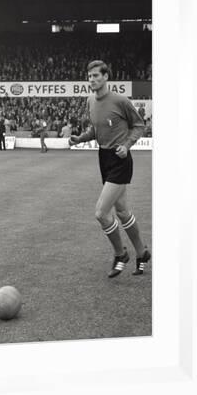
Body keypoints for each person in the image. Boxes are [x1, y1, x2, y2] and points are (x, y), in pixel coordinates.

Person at [69, 60, 151, 278]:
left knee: (101, 213)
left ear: (106, 76)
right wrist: (80, 138)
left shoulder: (120, 100)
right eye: (89, 76)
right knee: (123, 212)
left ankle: (120, 253)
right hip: (103, 158)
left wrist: (126, 145)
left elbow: (139, 125)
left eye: (96, 75)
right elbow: (95, 129)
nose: (92, 80)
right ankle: (142, 253)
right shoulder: (90, 101)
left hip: (120, 159)